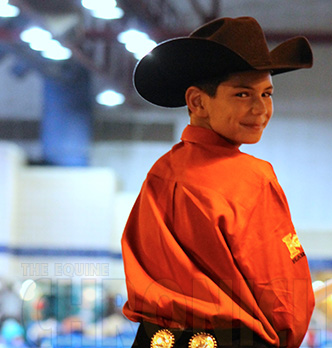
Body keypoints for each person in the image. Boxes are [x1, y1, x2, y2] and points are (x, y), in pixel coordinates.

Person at [121, 16, 315, 348]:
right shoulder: (251, 178)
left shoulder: (159, 174)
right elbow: (283, 292)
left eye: (267, 93)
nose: (260, 108)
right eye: (243, 94)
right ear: (197, 102)